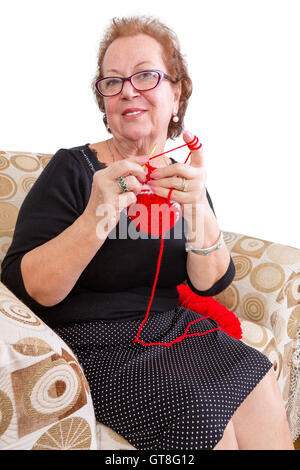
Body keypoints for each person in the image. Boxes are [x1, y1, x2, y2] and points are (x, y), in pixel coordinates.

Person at [1, 16, 294, 450]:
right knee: (204, 415)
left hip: (171, 327)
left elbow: (210, 281)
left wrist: (199, 211)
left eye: (145, 75)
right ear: (104, 102)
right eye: (113, 82)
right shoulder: (74, 169)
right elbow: (28, 288)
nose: (128, 90)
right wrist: (95, 218)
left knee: (258, 378)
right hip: (93, 340)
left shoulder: (181, 175)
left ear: (175, 93)